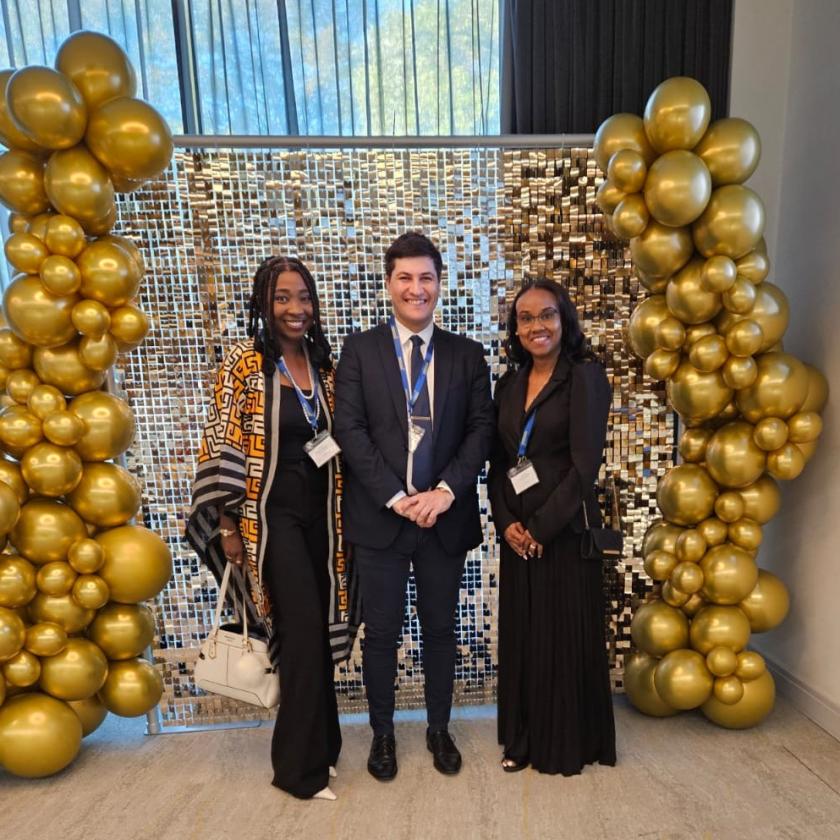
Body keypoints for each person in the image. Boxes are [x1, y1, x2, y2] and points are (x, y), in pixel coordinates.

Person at [187, 256, 355, 801]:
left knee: (320, 634)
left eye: (303, 297)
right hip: (269, 523)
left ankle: (324, 749)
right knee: (302, 634)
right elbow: (221, 443)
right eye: (283, 297)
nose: (295, 309)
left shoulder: (324, 364)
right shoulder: (244, 365)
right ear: (264, 303)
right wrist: (229, 526)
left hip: (324, 523)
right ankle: (297, 771)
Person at [334, 232, 494, 781]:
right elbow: (349, 431)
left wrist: (444, 491)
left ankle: (438, 728)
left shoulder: (467, 355)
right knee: (380, 634)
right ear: (388, 284)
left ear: (440, 283)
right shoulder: (358, 351)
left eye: (426, 277)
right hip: (382, 517)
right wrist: (399, 498)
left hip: (443, 518)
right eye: (405, 277)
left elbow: (481, 430)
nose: (416, 288)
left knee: (441, 629)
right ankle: (382, 734)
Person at [487, 278, 616, 776]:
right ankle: (522, 738)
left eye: (546, 315)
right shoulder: (509, 384)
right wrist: (507, 524)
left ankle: (564, 742)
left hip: (562, 535)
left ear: (564, 320)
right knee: (524, 637)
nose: (536, 325)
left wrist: (540, 529)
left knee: (559, 639)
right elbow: (498, 463)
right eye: (525, 318)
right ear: (515, 329)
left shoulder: (584, 377)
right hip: (518, 535)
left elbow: (585, 466)